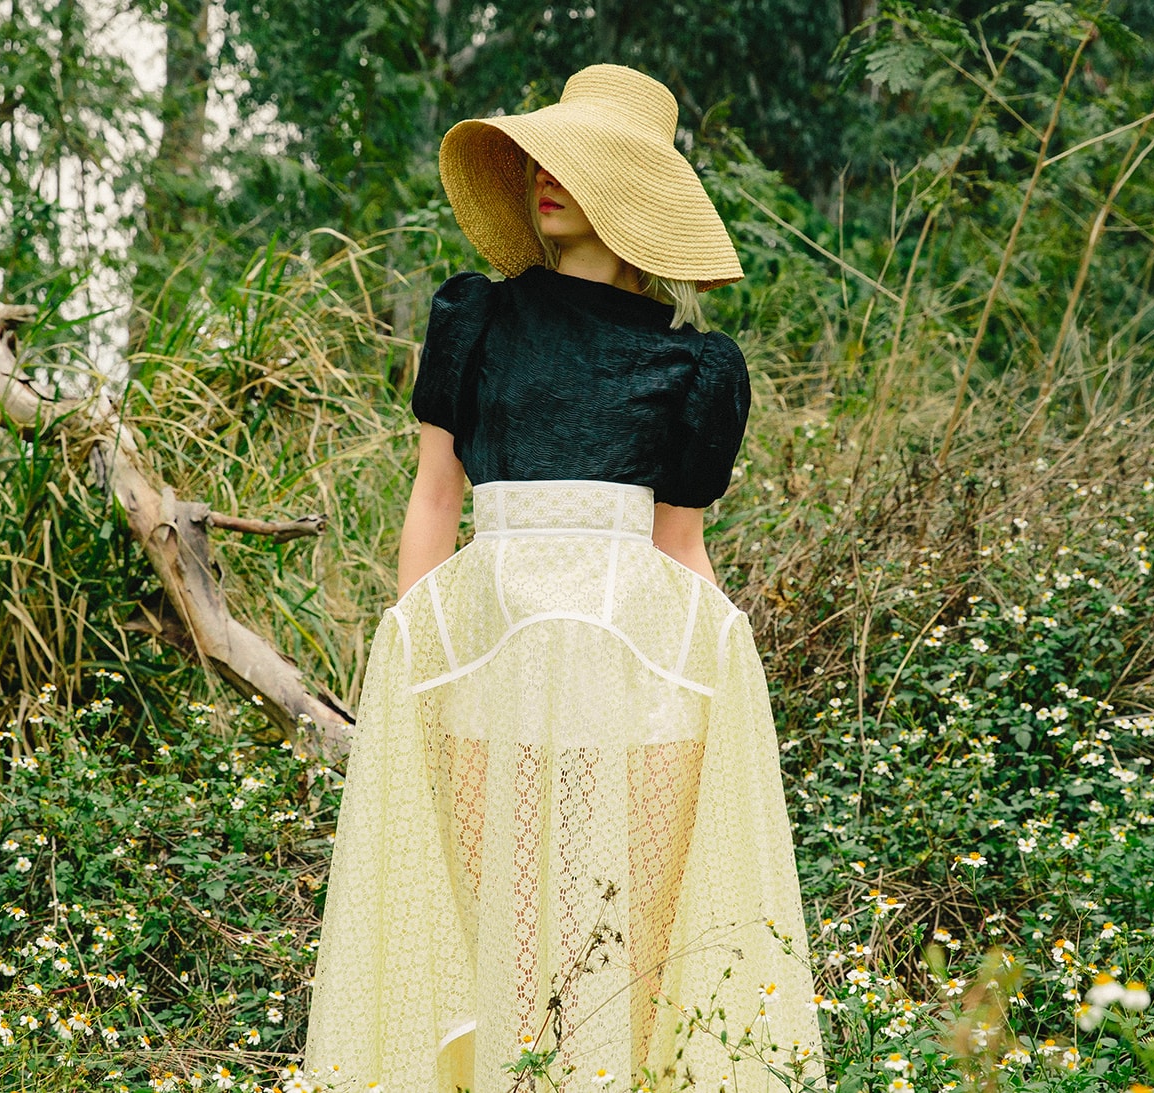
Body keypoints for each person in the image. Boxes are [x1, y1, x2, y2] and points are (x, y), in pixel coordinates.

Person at [301, 64, 825, 1092]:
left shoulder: (695, 366)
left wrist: (729, 660)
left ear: (634, 195)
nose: (544, 177)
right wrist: (412, 641)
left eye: (577, 164)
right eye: (540, 156)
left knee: (617, 897)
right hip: (481, 646)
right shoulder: (475, 321)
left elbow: (679, 548)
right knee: (484, 894)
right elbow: (433, 501)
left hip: (630, 662)